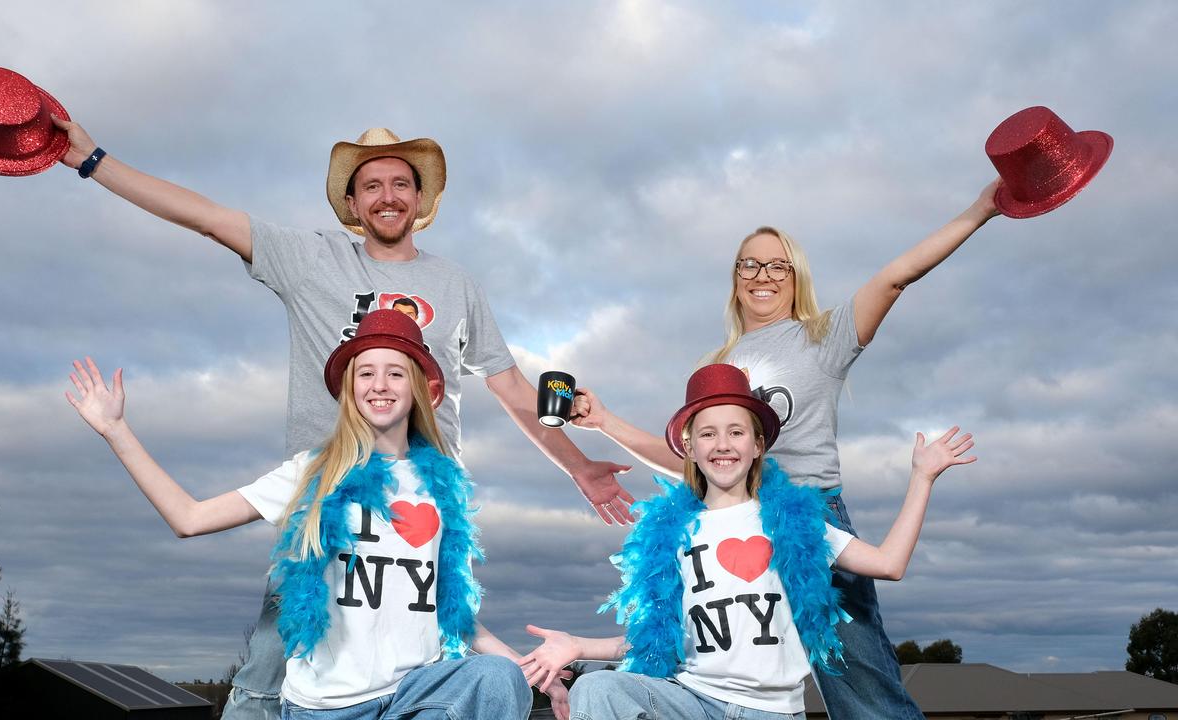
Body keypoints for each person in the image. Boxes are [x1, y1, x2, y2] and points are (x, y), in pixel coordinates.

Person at [50, 118, 634, 717]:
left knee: (443, 662)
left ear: (422, 198)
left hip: (425, 508)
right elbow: (205, 215)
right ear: (351, 203)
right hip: (323, 502)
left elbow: (512, 389)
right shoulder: (311, 260)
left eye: (402, 183)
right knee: (274, 669)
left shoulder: (455, 284)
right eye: (372, 184)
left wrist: (579, 467)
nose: (388, 196)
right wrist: (93, 160)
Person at [569, 183, 1001, 718]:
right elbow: (690, 455)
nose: (764, 276)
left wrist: (982, 209)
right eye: (749, 266)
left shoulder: (823, 335)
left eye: (779, 265)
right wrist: (603, 421)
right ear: (735, 280)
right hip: (735, 516)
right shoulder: (718, 362)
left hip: (809, 518)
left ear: (796, 277)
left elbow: (896, 276)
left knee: (859, 686)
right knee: (709, 663)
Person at [66, 310, 566, 719]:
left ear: (417, 388)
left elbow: (452, 612)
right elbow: (188, 517)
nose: (380, 384)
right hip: (329, 708)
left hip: (415, 697)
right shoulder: (314, 472)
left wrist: (531, 671)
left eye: (396, 373)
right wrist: (116, 431)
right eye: (366, 373)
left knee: (498, 680)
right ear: (349, 389)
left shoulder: (443, 487)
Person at [522, 364, 974, 720]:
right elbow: (655, 640)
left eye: (736, 432)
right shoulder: (673, 535)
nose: (723, 444)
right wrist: (578, 645)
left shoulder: (796, 522)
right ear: (689, 448)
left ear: (758, 445)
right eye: (708, 433)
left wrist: (922, 477)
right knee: (600, 688)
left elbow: (889, 563)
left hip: (773, 712)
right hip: (694, 702)